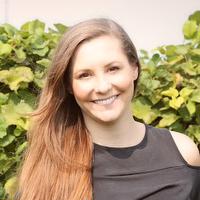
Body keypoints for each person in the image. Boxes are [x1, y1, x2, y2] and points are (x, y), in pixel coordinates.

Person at [15, 18, 200, 200]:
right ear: (69, 85)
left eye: (113, 69)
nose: (102, 87)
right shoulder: (46, 171)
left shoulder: (183, 154)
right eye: (85, 75)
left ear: (134, 68)